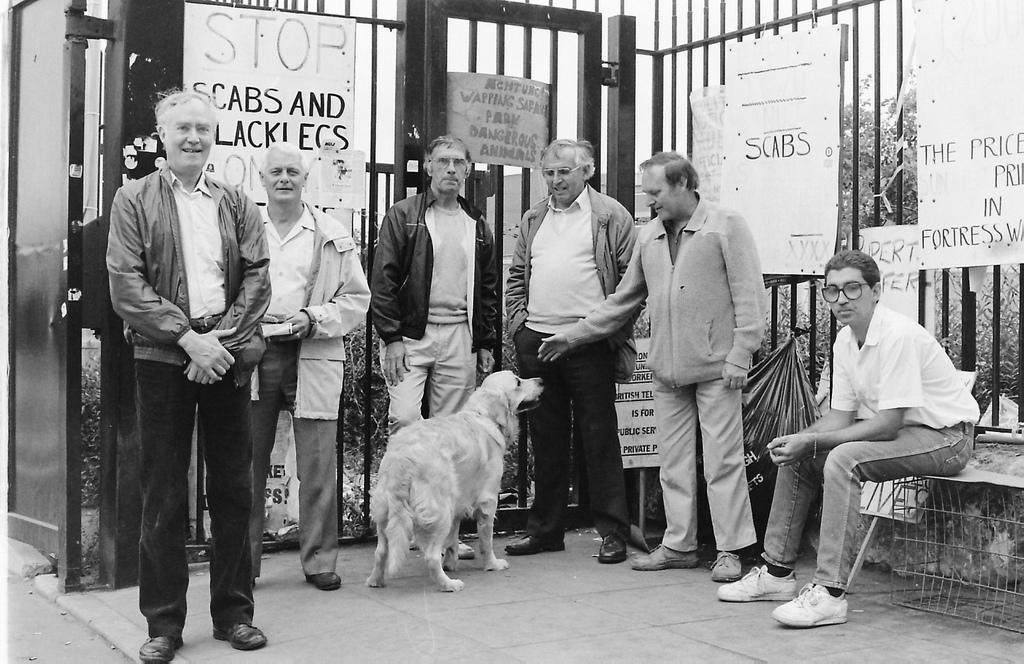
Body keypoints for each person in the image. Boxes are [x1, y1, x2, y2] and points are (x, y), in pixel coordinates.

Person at [716, 250, 979, 627]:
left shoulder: (897, 335)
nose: (841, 299)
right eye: (833, 291)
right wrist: (799, 439)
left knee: (842, 458)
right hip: (907, 433)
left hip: (948, 438)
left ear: (876, 291)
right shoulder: (844, 341)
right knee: (801, 454)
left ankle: (831, 593)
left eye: (853, 289)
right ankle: (776, 574)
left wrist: (817, 443)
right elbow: (839, 417)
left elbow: (886, 425)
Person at [539, 151, 765, 581]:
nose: (650, 201)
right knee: (673, 461)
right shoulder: (650, 236)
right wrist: (573, 335)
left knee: (723, 462)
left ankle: (731, 549)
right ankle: (679, 546)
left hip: (718, 366)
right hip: (667, 369)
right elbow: (623, 301)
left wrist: (742, 353)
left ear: (683, 185)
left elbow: (749, 296)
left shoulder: (725, 225)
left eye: (656, 192)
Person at [106, 89, 270, 662]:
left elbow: (257, 276)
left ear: (213, 134)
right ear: (162, 134)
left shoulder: (236, 201)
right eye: (183, 128)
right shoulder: (133, 199)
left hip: (221, 356)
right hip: (163, 357)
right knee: (163, 493)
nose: (194, 137)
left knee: (232, 490)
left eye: (203, 127)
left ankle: (233, 615)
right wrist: (187, 338)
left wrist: (217, 343)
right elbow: (126, 284)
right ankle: (164, 626)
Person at [504, 139, 636, 565]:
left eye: (564, 171)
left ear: (587, 170)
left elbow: (631, 287)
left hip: (588, 342)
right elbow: (517, 275)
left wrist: (601, 333)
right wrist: (520, 329)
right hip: (539, 343)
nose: (556, 180)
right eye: (549, 172)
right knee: (546, 439)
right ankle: (546, 531)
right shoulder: (533, 217)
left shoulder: (611, 216)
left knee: (599, 438)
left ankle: (612, 531)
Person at [248, 143, 370, 592]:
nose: (284, 178)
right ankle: (242, 564)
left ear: (305, 179)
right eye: (275, 171)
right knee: (246, 462)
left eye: (292, 172)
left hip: (312, 352)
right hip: (255, 352)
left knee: (317, 463)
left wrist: (312, 318)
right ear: (261, 180)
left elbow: (357, 299)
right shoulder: (245, 227)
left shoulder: (330, 232)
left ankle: (320, 560)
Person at [370, 135, 499, 560]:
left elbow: (487, 289)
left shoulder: (476, 222)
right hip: (412, 335)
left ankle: (446, 538)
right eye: (442, 161)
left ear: (467, 171)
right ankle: (398, 524)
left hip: (459, 334)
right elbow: (383, 281)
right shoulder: (404, 216)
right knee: (405, 420)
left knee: (455, 440)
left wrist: (484, 342)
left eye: (458, 163)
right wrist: (390, 338)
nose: (450, 169)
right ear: (427, 166)